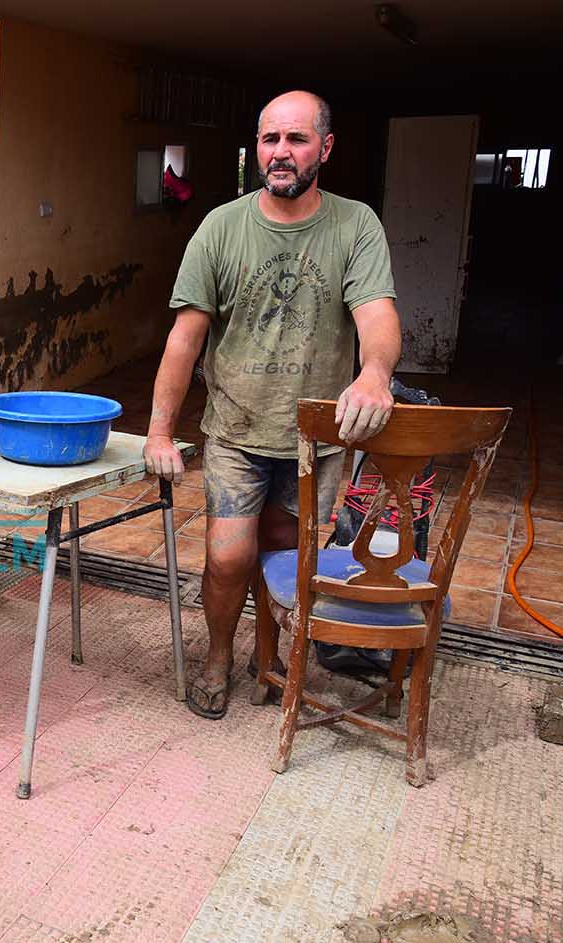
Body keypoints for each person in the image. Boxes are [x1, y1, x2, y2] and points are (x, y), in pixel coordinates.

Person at [143, 90, 402, 719]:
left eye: (296, 139)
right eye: (269, 139)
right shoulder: (220, 227)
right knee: (228, 556)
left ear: (325, 147)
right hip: (237, 426)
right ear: (256, 148)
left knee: (284, 555)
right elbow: (185, 337)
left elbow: (377, 315)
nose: (280, 152)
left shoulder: (355, 225)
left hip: (315, 436)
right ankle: (218, 656)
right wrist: (158, 431)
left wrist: (374, 374)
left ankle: (269, 654)